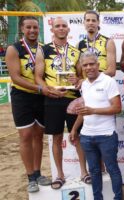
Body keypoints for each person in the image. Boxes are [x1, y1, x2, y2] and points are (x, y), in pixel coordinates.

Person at [34, 17, 82, 189]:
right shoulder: (43, 50)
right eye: (57, 26)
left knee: (77, 137)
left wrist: (78, 79)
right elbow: (38, 77)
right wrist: (47, 90)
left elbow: (81, 77)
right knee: (56, 137)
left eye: (64, 26)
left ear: (68, 30)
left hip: (72, 99)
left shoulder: (76, 51)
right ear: (52, 30)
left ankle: (84, 173)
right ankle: (60, 175)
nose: (61, 28)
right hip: (52, 99)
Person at [5, 16, 51, 193]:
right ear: (22, 29)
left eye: (35, 27)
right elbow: (15, 77)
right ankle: (30, 176)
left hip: (40, 96)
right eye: (28, 27)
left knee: (38, 135)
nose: (32, 30)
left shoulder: (43, 48)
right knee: (25, 135)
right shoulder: (13, 48)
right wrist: (39, 88)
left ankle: (38, 173)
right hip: (22, 96)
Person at [69, 51, 123, 200]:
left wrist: (93, 110)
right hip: (86, 136)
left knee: (112, 170)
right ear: (81, 67)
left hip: (106, 135)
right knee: (93, 171)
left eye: (92, 64)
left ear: (98, 65)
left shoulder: (108, 81)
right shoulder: (84, 85)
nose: (89, 67)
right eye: (85, 65)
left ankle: (118, 198)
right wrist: (74, 129)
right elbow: (83, 111)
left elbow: (117, 108)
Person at [77, 10, 116, 77]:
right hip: (86, 84)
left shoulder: (108, 42)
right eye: (88, 20)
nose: (90, 23)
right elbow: (79, 72)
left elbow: (111, 71)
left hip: (102, 83)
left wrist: (93, 77)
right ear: (84, 23)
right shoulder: (79, 45)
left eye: (93, 20)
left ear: (98, 22)